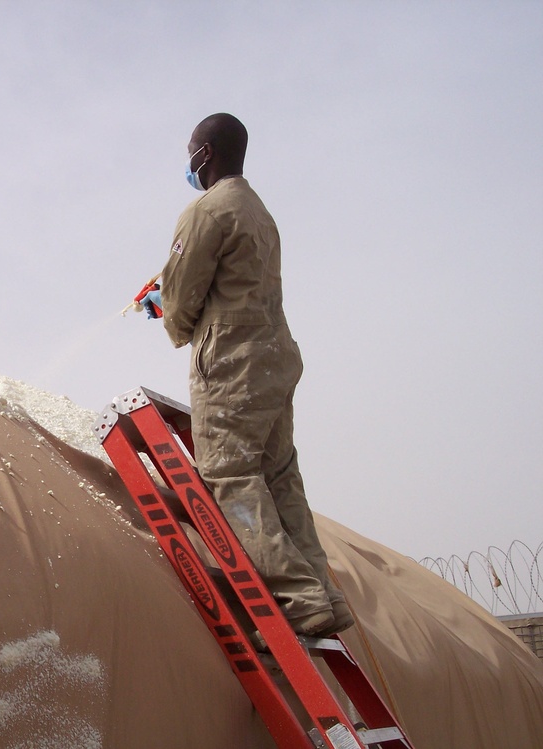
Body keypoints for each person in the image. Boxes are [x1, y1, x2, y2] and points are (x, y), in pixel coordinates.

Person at [151, 113, 353, 637]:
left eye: (191, 150)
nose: (188, 160)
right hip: (273, 356)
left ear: (206, 154)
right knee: (280, 476)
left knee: (229, 476)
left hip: (234, 363)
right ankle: (326, 593)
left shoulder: (206, 210)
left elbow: (183, 296)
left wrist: (165, 308)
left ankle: (297, 595)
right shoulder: (258, 211)